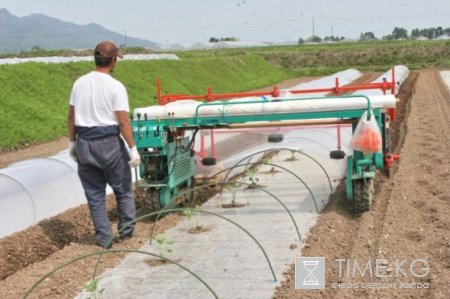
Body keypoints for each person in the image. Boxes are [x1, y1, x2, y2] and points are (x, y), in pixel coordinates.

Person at [67, 40, 140, 249]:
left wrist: (73, 143)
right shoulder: (115, 87)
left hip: (85, 142)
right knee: (123, 189)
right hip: (109, 143)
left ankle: (104, 239)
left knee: (94, 194)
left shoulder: (79, 83)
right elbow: (123, 121)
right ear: (114, 60)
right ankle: (126, 235)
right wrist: (133, 148)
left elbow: (71, 116)